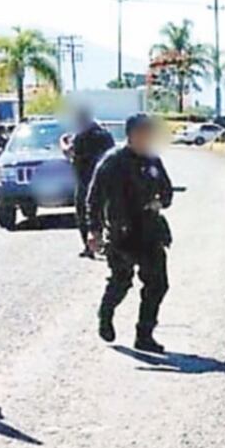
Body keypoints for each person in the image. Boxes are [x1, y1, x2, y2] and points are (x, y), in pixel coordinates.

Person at [86, 114, 173, 354]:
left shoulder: (153, 161)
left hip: (150, 231)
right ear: (132, 134)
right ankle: (106, 313)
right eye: (144, 132)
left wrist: (160, 202)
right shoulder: (113, 161)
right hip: (122, 233)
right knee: (122, 281)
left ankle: (144, 335)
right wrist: (94, 231)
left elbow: (167, 192)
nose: (149, 137)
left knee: (158, 284)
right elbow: (94, 198)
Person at [63, 108, 116, 259]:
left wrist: (62, 141)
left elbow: (69, 152)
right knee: (104, 213)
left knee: (84, 215)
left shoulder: (80, 136)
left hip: (84, 180)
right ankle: (107, 244)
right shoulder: (105, 134)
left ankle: (89, 247)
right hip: (105, 181)